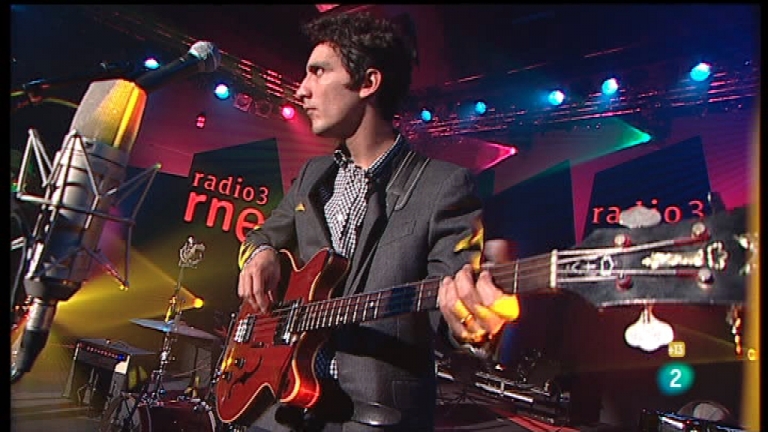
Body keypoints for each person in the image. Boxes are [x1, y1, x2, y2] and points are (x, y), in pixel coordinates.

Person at [236, 11, 513, 431]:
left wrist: (472, 325)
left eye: (318, 72)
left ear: (368, 83)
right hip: (284, 402)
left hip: (374, 414)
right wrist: (261, 253)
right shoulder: (312, 174)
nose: (301, 89)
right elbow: (261, 235)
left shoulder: (443, 186)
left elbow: (448, 310)